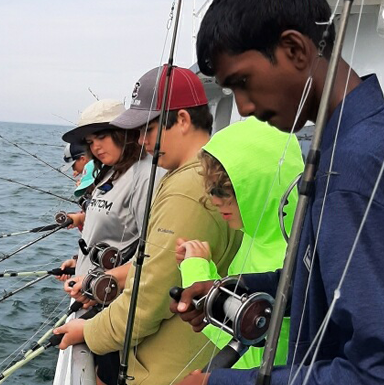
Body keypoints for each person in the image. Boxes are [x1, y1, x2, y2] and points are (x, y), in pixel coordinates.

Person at [172, 0, 384, 384]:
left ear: (295, 50)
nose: (245, 107)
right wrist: (239, 288)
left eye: (242, 82)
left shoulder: (350, 169)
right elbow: (332, 284)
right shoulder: (381, 137)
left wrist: (216, 383)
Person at [54, 65, 243, 385]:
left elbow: (151, 294)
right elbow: (154, 264)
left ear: (182, 120)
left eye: (148, 129)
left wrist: (90, 331)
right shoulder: (194, 173)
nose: (140, 140)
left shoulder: (187, 188)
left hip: (172, 372)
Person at [176, 117, 304, 369]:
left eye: (223, 190)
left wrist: (196, 269)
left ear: (261, 188)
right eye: (210, 189)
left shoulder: (288, 259)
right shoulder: (256, 232)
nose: (214, 200)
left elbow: (246, 346)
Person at [58, 98, 164, 385]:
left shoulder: (144, 176)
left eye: (102, 136)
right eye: (91, 141)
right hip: (93, 295)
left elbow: (153, 251)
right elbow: (109, 232)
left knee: (108, 374)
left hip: (117, 306)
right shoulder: (110, 172)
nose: (96, 147)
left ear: (125, 132)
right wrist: (79, 264)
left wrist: (102, 280)